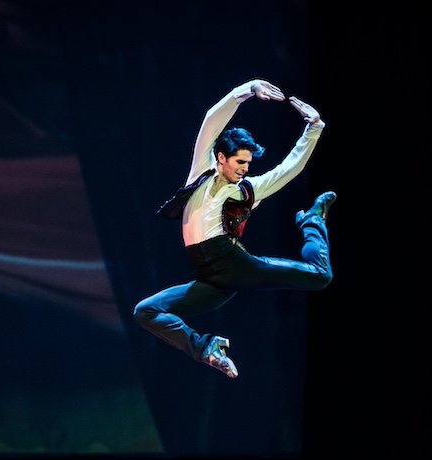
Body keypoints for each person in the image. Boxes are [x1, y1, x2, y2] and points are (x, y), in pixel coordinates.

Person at [133, 79, 336, 378]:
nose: (245, 168)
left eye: (249, 162)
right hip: (210, 278)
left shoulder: (247, 190)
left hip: (233, 263)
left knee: (321, 277)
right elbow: (211, 120)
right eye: (240, 161)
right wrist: (247, 89)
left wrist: (314, 128)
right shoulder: (200, 173)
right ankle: (206, 348)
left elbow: (288, 169)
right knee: (145, 311)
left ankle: (312, 221)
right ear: (221, 158)